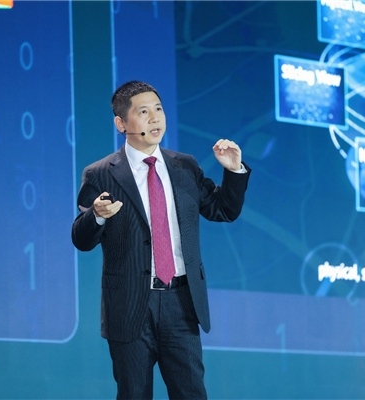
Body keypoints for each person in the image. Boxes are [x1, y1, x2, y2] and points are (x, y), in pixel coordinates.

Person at [71, 81, 251, 399]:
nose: (155, 118)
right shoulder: (100, 173)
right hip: (129, 305)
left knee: (191, 392)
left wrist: (234, 171)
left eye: (159, 109)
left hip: (181, 302)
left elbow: (223, 210)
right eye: (143, 112)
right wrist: (96, 215)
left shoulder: (185, 166)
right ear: (121, 123)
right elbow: (81, 239)